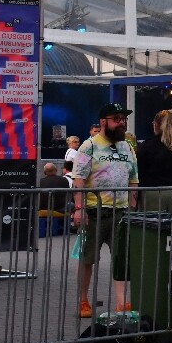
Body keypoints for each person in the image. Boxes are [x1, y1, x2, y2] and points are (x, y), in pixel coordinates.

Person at [71, 103, 139, 317]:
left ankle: (121, 302)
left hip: (121, 212)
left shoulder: (127, 146)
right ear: (103, 122)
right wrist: (79, 208)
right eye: (117, 118)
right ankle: (83, 300)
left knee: (121, 258)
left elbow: (133, 178)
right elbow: (79, 179)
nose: (122, 122)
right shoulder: (88, 146)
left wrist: (132, 204)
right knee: (88, 258)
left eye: (123, 119)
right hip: (94, 211)